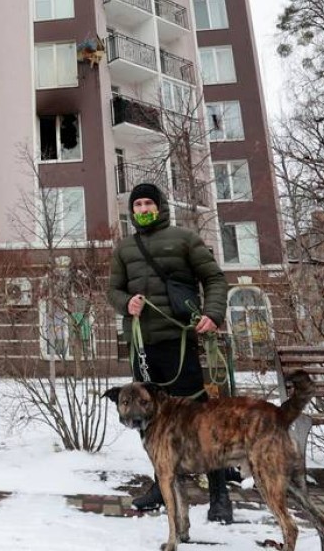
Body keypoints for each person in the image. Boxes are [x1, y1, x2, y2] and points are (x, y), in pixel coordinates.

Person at [108, 182, 233, 523]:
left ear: (160, 206)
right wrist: (125, 302)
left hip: (179, 343)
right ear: (131, 211)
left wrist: (214, 313)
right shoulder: (124, 248)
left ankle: (219, 493)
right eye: (138, 205)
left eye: (149, 203)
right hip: (143, 347)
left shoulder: (184, 239)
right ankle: (161, 487)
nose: (144, 209)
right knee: (152, 425)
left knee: (201, 421)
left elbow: (214, 278)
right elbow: (112, 290)